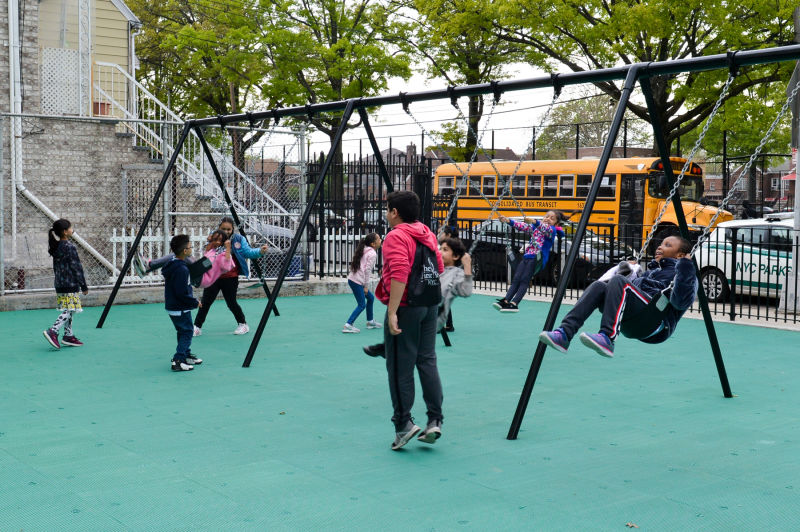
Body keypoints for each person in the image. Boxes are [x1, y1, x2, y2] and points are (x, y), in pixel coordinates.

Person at [539, 235, 697, 358]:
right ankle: (564, 333)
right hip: (634, 317)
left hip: (655, 321)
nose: (660, 247)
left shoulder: (685, 274)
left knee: (619, 281)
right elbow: (626, 290)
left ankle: (607, 337)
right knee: (598, 286)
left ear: (680, 255)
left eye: (668, 245)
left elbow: (680, 302)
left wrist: (686, 267)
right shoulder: (652, 271)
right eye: (661, 243)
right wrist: (629, 271)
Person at [376, 190, 445, 450]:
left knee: (399, 366)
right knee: (427, 359)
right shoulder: (426, 233)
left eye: (387, 209)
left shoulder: (396, 236)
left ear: (395, 212)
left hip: (407, 305)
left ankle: (403, 424)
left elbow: (400, 272)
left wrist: (393, 310)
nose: (386, 214)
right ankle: (434, 419)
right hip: (429, 303)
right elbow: (438, 268)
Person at [363, 236, 473, 358]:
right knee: (400, 308)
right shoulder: (435, 267)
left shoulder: (456, 274)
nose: (440, 251)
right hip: (425, 307)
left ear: (456, 256)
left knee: (405, 314)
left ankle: (389, 348)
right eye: (440, 248)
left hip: (435, 315)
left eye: (445, 250)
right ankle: (389, 346)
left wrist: (467, 266)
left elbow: (466, 292)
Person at [193, 216, 269, 336]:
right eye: (223, 228)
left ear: (233, 229)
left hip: (230, 277)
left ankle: (243, 324)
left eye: (229, 229)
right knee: (206, 302)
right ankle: (197, 327)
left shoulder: (238, 239)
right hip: (213, 277)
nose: (226, 231)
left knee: (231, 302)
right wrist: (211, 241)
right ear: (219, 228)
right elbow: (207, 254)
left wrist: (260, 251)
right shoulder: (215, 237)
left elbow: (247, 252)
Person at [494, 210, 565, 312]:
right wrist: (508, 220)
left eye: (552, 218)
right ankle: (506, 300)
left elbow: (543, 228)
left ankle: (514, 303)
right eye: (547, 216)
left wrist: (534, 221)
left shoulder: (551, 231)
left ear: (556, 223)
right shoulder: (535, 228)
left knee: (524, 280)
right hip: (527, 256)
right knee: (516, 278)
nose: (548, 219)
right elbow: (522, 226)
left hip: (537, 258)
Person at [42, 219, 88, 349]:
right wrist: (83, 285)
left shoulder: (56, 247)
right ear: (65, 231)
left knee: (69, 308)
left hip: (60, 283)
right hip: (70, 283)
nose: (72, 229)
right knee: (71, 309)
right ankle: (53, 330)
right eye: (70, 227)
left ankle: (68, 335)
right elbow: (76, 267)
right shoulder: (70, 247)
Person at [163, 235, 202, 371]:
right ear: (185, 251)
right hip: (180, 307)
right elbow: (181, 292)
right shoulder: (182, 270)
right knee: (187, 332)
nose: (192, 248)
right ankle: (179, 359)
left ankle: (185, 354)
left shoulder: (172, 263)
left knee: (183, 330)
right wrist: (194, 302)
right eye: (190, 247)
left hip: (173, 306)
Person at [343, 232, 382, 333]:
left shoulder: (365, 250)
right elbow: (367, 270)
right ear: (373, 244)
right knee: (361, 304)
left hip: (353, 279)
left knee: (371, 298)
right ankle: (348, 324)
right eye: (378, 239)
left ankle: (370, 321)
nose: (380, 240)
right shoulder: (372, 254)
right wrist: (366, 286)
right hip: (357, 281)